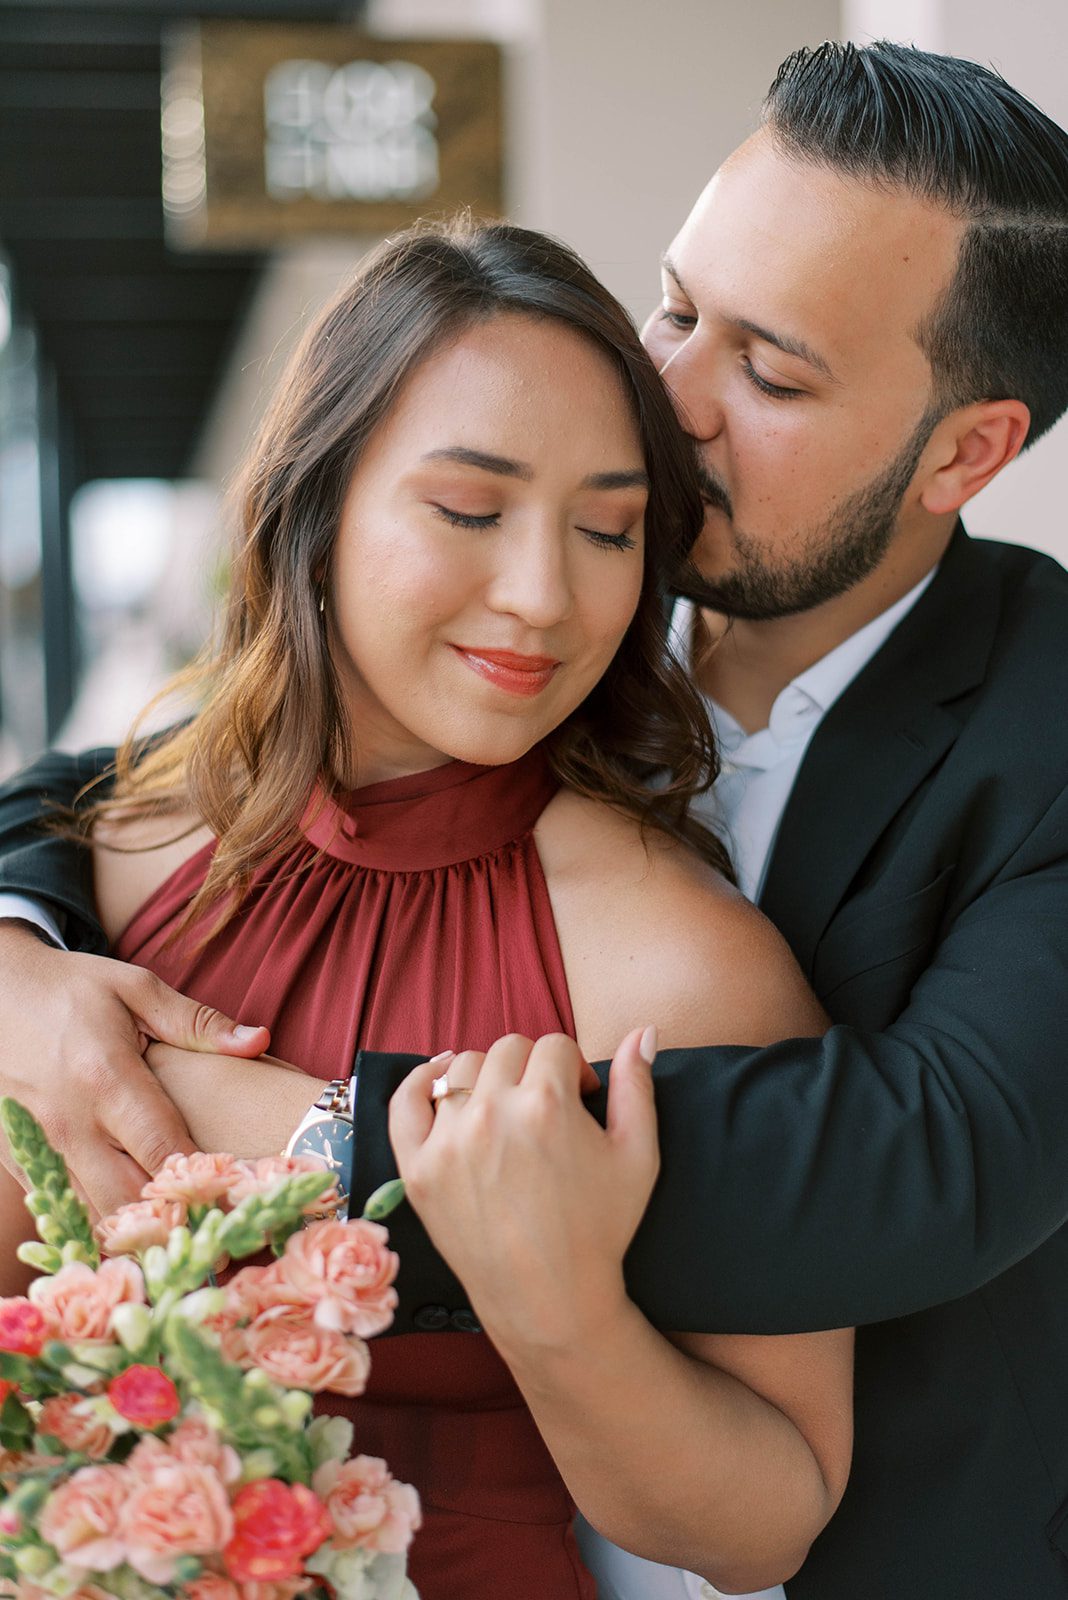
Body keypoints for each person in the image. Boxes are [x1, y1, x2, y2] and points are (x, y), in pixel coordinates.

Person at [1, 35, 1067, 1599]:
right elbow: (123, 782)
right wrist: (17, 937)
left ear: (966, 451)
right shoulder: (560, 632)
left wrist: (262, 1126)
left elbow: (930, 1163)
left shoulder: (1027, 738)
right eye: (679, 310)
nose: (668, 399)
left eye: (768, 374)